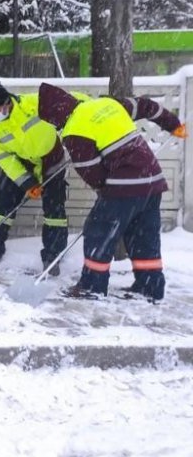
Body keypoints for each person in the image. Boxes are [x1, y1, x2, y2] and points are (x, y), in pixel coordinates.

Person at [37, 82, 187, 301]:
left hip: (123, 186)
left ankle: (91, 287)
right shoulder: (106, 104)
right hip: (152, 181)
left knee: (98, 231)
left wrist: (103, 190)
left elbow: (92, 172)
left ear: (55, 116)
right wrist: (172, 124)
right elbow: (145, 106)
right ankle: (150, 286)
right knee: (143, 236)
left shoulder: (73, 132)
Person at [0, 76, 73, 274]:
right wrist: (27, 182)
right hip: (21, 162)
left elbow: (74, 103)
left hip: (51, 157)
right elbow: (4, 158)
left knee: (54, 209)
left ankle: (53, 255)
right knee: (2, 205)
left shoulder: (33, 103)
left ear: (6, 103)